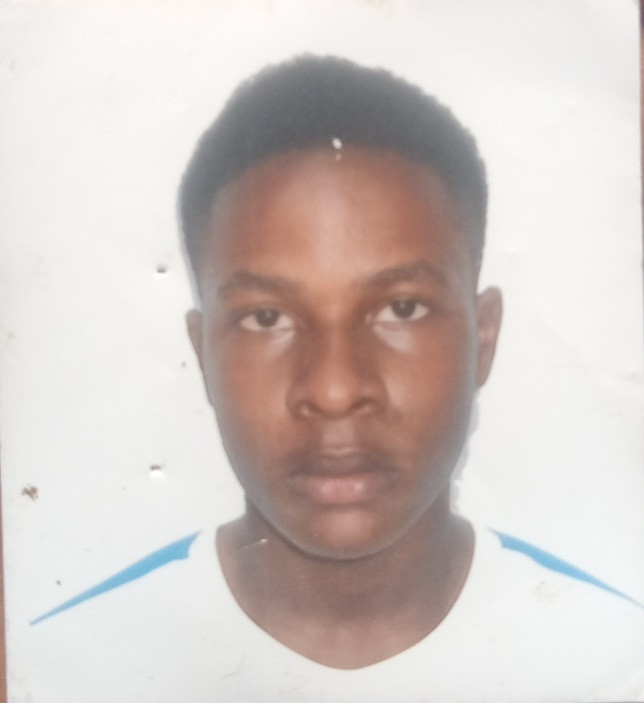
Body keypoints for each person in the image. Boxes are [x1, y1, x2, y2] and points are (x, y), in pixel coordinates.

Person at [30, 55, 644, 703]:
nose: (335, 389)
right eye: (267, 318)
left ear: (483, 338)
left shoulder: (615, 665)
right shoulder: (60, 673)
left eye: (401, 308)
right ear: (203, 355)